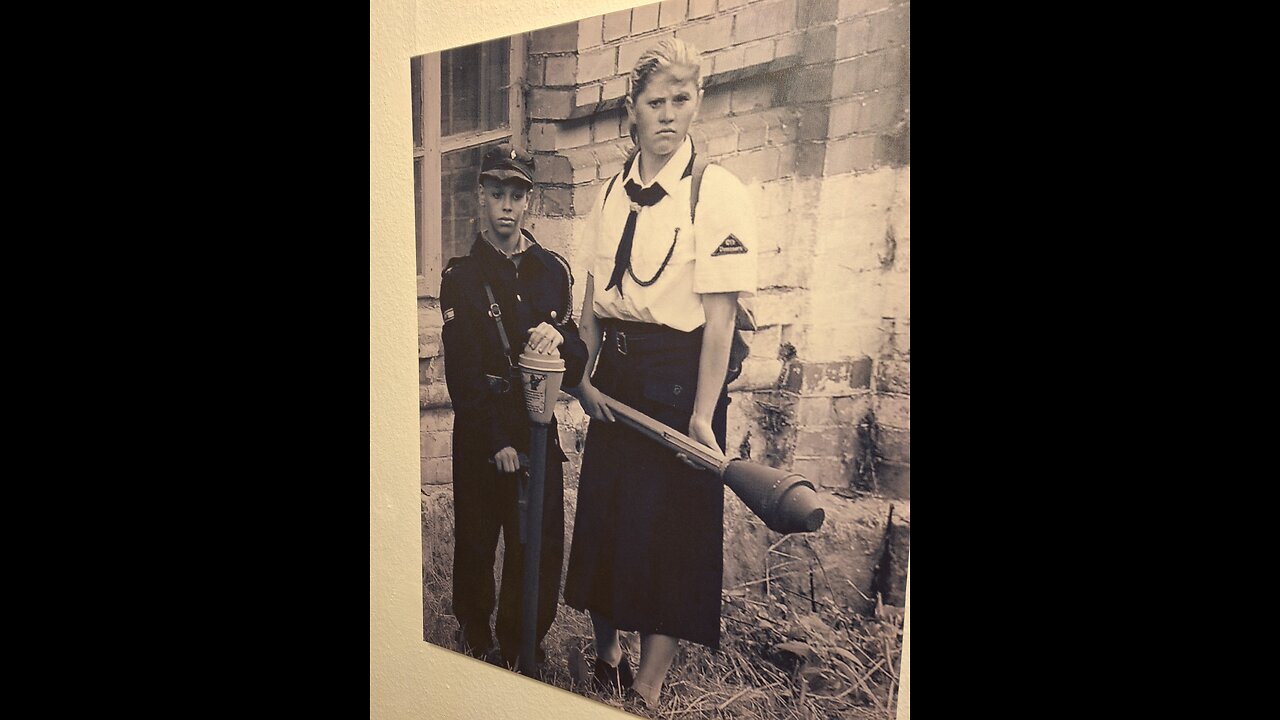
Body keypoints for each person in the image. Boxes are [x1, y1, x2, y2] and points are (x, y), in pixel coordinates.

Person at [562, 38, 757, 709]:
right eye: (656, 102)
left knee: (670, 534)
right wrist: (582, 380)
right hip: (613, 376)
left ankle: (648, 685)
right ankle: (607, 654)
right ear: (631, 110)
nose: (669, 115)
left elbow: (721, 318)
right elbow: (590, 301)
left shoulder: (717, 192)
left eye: (682, 100)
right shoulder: (610, 193)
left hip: (680, 384)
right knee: (607, 523)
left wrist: (702, 416)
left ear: (696, 104)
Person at [439, 142, 588, 672]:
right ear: (482, 196)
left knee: (539, 549)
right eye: (497, 193)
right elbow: (462, 371)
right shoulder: (461, 276)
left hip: (538, 432)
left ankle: (525, 643)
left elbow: (575, 358)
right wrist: (495, 441)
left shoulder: (553, 271)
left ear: (530, 201)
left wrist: (561, 338)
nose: (507, 205)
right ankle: (476, 641)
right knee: (478, 543)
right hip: (485, 436)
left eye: (517, 195)